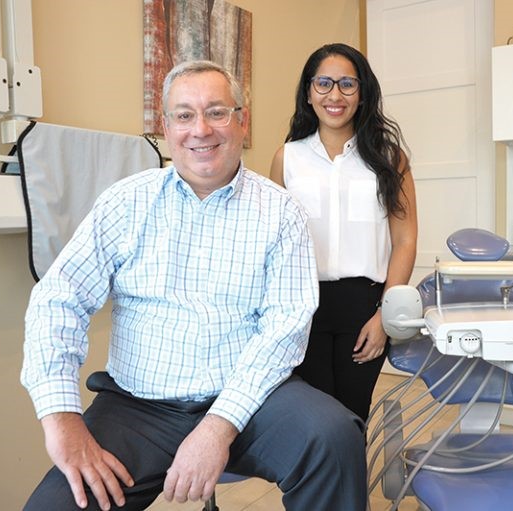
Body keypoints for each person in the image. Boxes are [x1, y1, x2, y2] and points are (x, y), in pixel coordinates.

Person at [20, 60, 367, 511]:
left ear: (242, 121)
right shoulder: (125, 203)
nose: (200, 129)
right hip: (139, 408)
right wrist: (62, 422)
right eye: (184, 115)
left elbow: (286, 326)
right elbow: (57, 301)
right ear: (166, 127)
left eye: (217, 112)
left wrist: (218, 425)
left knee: (334, 438)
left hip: (253, 400)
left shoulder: (282, 214)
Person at [270, 43, 418, 423]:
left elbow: (404, 239)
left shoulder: (389, 158)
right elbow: (273, 243)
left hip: (364, 309)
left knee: (353, 417)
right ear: (308, 91)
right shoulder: (288, 158)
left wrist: (385, 315)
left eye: (347, 84)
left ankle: (352, 485)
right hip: (304, 307)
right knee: (313, 423)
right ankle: (314, 486)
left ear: (362, 92)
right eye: (323, 83)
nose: (335, 95)